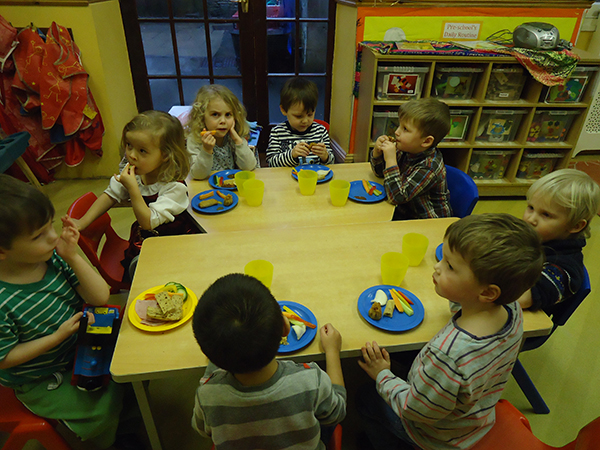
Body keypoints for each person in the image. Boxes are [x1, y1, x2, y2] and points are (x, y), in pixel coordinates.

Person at [357, 213, 544, 450]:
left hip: (433, 435)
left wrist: (382, 374)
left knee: (365, 398)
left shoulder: (448, 355)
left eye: (450, 266)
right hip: (475, 416)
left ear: (487, 293)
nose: (436, 266)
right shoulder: (512, 308)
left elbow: (414, 410)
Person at [0, 174, 138, 449]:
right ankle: (108, 440)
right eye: (39, 235)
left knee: (134, 366)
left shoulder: (52, 257)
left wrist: (73, 256)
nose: (54, 237)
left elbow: (100, 297)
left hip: (81, 347)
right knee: (101, 411)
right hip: (39, 377)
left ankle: (128, 418)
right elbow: (4, 358)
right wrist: (57, 337)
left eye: (50, 225)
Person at [191, 273, 346, 449]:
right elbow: (337, 412)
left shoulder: (207, 396)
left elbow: (202, 430)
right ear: (285, 327)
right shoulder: (311, 381)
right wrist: (333, 351)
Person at [73, 110, 199, 282]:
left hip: (174, 242)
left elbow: (148, 222)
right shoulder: (137, 174)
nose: (131, 155)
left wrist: (132, 189)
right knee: (140, 270)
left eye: (142, 151)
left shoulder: (174, 188)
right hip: (146, 241)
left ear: (165, 155)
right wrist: (82, 222)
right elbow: (110, 195)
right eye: (129, 145)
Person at [518, 168, 600, 313]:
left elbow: (521, 300)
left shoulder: (564, 269)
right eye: (530, 207)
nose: (530, 219)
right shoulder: (535, 236)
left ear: (576, 225)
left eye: (546, 214)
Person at [371, 97, 453, 221]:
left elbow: (396, 197)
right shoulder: (406, 149)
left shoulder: (429, 167)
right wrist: (377, 154)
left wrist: (391, 160)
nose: (397, 132)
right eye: (399, 125)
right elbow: (381, 174)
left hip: (427, 223)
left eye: (405, 129)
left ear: (426, 141)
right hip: (403, 213)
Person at [186, 84, 259, 180]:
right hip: (207, 188)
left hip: (233, 187)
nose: (223, 121)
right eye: (215, 114)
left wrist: (238, 142)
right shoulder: (195, 139)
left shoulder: (234, 135)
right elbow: (198, 175)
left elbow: (249, 167)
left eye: (228, 114)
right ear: (202, 117)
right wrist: (206, 151)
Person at [266, 77, 334, 167]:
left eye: (310, 114)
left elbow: (331, 162)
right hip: (286, 178)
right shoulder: (277, 133)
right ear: (283, 110)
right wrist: (292, 155)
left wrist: (325, 156)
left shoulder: (320, 131)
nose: (305, 121)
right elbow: (271, 163)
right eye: (298, 116)